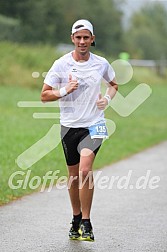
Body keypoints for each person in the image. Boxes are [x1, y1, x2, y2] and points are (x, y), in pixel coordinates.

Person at [41, 19, 118, 242]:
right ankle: (75, 218)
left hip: (95, 124)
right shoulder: (61, 64)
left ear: (92, 39)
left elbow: (113, 85)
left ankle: (87, 221)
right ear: (72, 39)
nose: (82, 41)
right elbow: (44, 96)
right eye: (78, 37)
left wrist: (106, 100)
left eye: (86, 37)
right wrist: (65, 89)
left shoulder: (101, 63)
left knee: (85, 171)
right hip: (69, 127)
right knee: (74, 177)